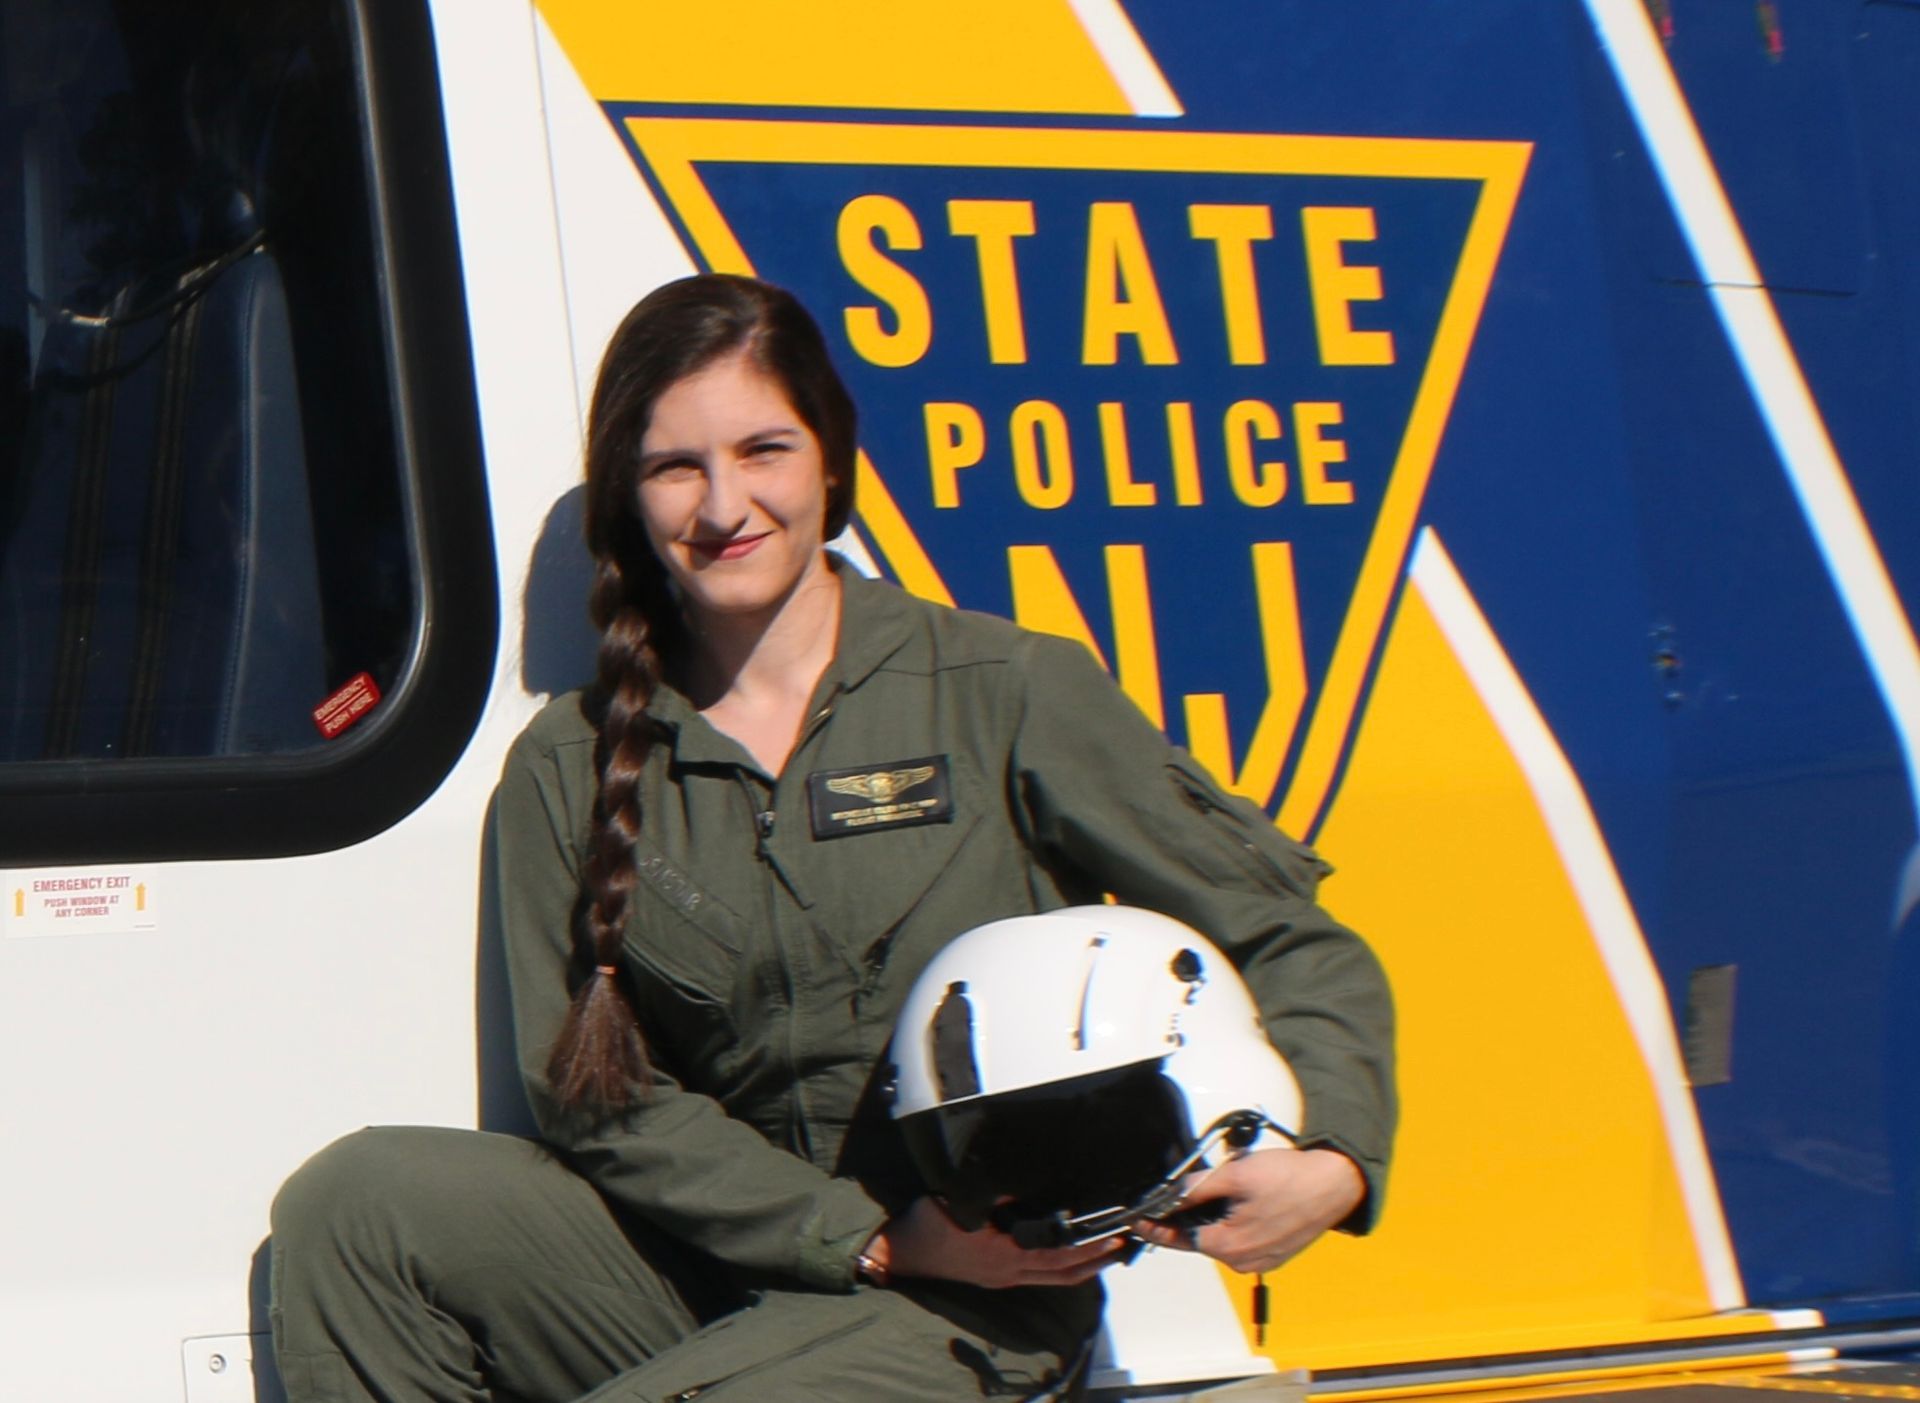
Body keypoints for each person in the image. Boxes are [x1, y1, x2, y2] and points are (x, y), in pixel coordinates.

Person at [268, 274, 1396, 1402]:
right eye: (676, 467)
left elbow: (1291, 937)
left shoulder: (1004, 691)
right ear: (630, 495)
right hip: (720, 1264)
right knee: (361, 1204)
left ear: (829, 460)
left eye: (764, 450)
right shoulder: (569, 763)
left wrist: (1332, 1159)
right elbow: (591, 1097)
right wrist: (857, 1234)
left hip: (973, 1294)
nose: (723, 506)